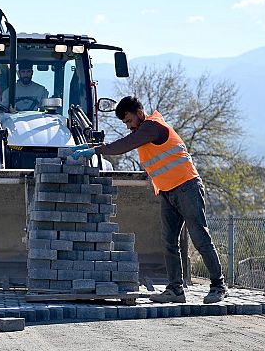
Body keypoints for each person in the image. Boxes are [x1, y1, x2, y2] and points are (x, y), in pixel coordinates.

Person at [70, 96, 228, 304]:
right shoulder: (141, 132)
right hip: (168, 191)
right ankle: (175, 290)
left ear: (139, 112)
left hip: (187, 187)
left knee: (200, 237)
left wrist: (95, 149)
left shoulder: (152, 127)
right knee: (169, 242)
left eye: (128, 120)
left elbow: (123, 145)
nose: (128, 126)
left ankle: (218, 285)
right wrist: (92, 146)